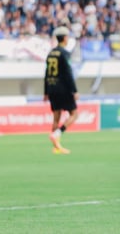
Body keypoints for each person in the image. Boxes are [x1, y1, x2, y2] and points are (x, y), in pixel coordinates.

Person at [43, 25, 79, 154]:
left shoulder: (50, 53)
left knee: (56, 118)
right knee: (74, 114)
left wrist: (46, 92)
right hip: (63, 89)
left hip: (52, 88)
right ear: (64, 38)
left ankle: (56, 147)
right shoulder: (64, 53)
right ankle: (57, 133)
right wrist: (74, 91)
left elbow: (47, 73)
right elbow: (68, 73)